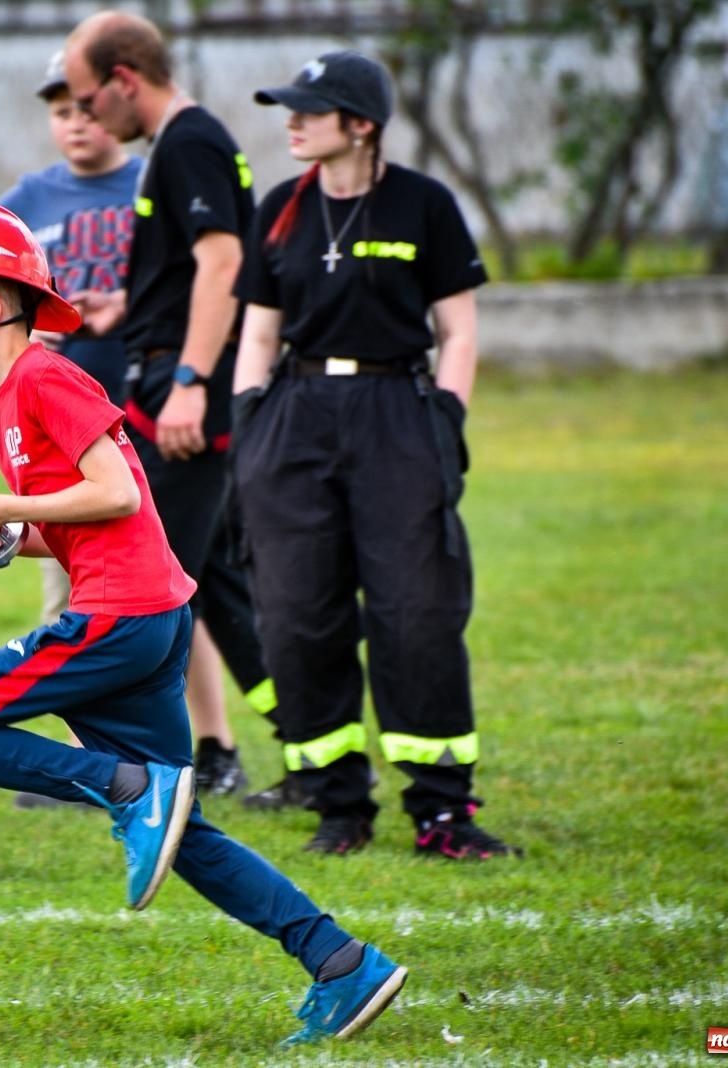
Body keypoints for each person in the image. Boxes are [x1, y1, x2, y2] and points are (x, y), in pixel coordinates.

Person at [0, 197, 408, 1049]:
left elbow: (121, 494)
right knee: (183, 832)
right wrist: (9, 536)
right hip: (143, 617)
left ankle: (127, 787)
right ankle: (340, 961)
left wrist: (4, 505)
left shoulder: (49, 377)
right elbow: (79, 519)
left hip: (120, 619)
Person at [230, 51, 522, 859]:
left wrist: (444, 422)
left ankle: (442, 811)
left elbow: (457, 331)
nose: (292, 121)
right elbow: (258, 333)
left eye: (310, 109)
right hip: (294, 417)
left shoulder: (424, 204)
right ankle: (338, 803)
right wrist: (251, 423)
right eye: (289, 108)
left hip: (397, 413)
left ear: (361, 124)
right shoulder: (280, 209)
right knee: (297, 615)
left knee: (417, 612)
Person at [62, 11, 276, 796]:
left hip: (184, 400)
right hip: (167, 379)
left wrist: (188, 382)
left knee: (149, 583)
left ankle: (133, 768)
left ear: (124, 79)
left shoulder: (189, 143)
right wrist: (128, 307)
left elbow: (223, 264)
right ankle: (316, 750)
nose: (87, 117)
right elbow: (191, 272)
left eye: (89, 99)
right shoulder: (181, 145)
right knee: (216, 584)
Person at [0, 48, 140, 631]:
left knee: (169, 569)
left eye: (86, 108)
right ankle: (77, 675)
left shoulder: (150, 184)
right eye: (62, 112)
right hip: (64, 428)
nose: (76, 123)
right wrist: (23, 330)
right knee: (73, 581)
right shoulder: (29, 199)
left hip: (146, 407)